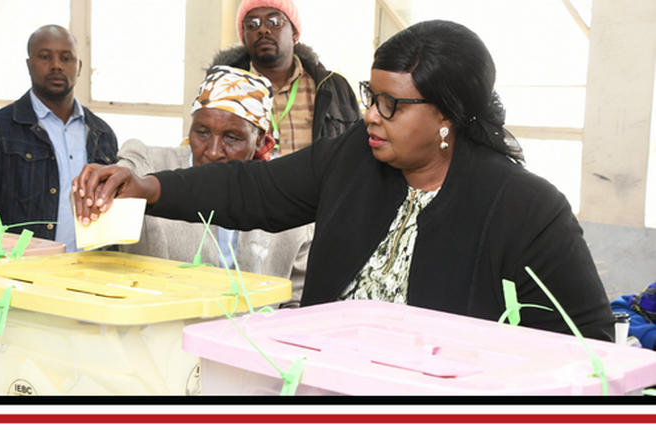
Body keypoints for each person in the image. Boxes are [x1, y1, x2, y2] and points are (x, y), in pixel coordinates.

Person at [73, 20, 615, 341]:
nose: (371, 115)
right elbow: (253, 191)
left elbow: (589, 341)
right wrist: (149, 187)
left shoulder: (526, 210)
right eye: (369, 94)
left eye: (390, 105)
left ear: (447, 115)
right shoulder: (356, 158)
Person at [79, 66, 312, 307]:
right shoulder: (149, 166)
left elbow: (295, 304)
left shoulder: (286, 196)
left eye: (231, 138)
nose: (212, 152)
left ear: (260, 139)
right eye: (202, 133)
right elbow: (126, 175)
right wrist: (100, 188)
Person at [0, 24, 118, 252]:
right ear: (29, 65)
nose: (56, 65)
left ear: (79, 67)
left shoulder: (102, 133)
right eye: (45, 56)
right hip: (22, 275)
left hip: (91, 275)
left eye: (66, 58)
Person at [211, 0, 361, 157]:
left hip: (321, 182)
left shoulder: (333, 87)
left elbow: (357, 150)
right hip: (251, 182)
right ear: (243, 37)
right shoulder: (223, 88)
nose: (263, 30)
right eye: (252, 24)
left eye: (274, 22)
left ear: (294, 33)